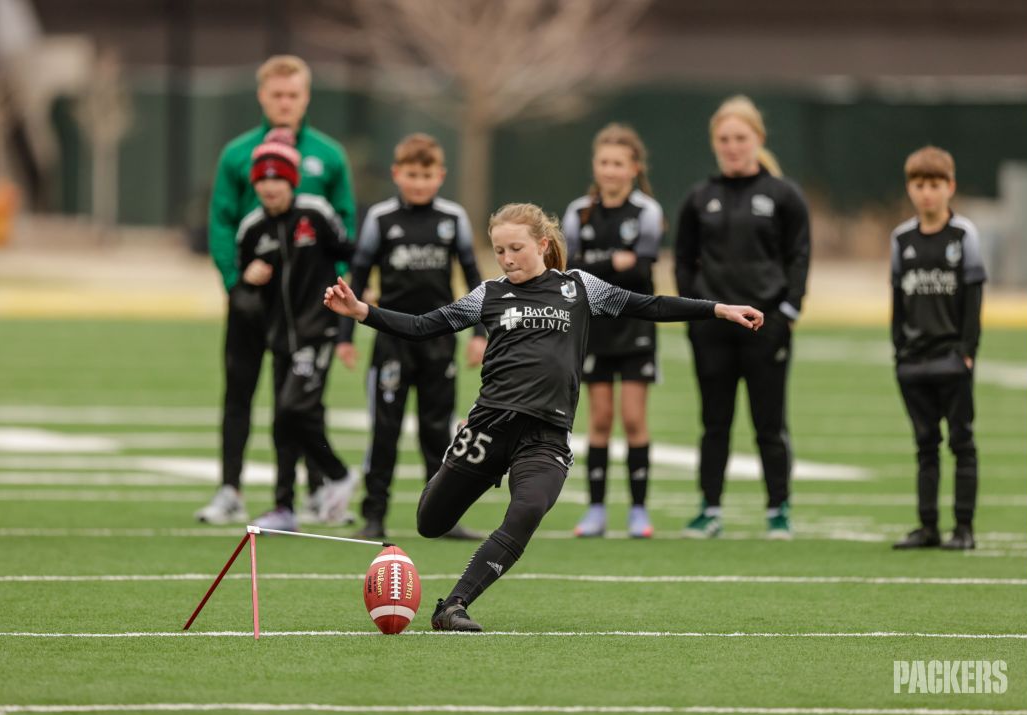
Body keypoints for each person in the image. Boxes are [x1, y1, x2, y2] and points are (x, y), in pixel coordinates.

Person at [323, 203, 763, 632]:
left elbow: (648, 305)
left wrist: (717, 309)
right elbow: (424, 326)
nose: (507, 258)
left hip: (546, 434)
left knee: (528, 508)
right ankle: (452, 472)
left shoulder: (579, 287)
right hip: (488, 425)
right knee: (430, 523)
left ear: (543, 244)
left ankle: (453, 605)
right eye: (498, 250)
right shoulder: (489, 294)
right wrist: (362, 312)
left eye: (515, 248)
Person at [197, 55, 356, 526]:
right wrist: (235, 282)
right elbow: (222, 222)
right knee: (239, 392)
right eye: (276, 94)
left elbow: (345, 222)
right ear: (262, 96)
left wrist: (341, 286)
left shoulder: (328, 156)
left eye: (293, 95)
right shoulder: (236, 154)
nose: (285, 102)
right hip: (254, 302)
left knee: (303, 398)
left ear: (305, 97)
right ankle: (230, 489)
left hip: (309, 302)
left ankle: (312, 492)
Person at [337, 133, 487, 541]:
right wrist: (345, 336)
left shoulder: (452, 218)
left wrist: (480, 332)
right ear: (396, 173)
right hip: (391, 339)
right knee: (384, 430)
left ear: (440, 175)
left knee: (437, 431)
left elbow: (474, 279)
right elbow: (360, 275)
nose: (418, 182)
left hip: (440, 339)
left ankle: (443, 517)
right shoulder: (381, 218)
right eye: (411, 174)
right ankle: (374, 516)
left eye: (426, 174)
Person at [675, 95, 810, 540]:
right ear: (715, 143)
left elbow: (799, 256)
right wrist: (695, 312)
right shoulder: (700, 198)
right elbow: (683, 260)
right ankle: (709, 509)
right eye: (724, 139)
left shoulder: (783, 195)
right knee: (715, 423)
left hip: (765, 327)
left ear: (758, 139)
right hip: (713, 328)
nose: (732, 146)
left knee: (770, 424)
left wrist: (787, 311)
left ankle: (779, 510)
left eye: (740, 138)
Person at [234, 139, 359, 532]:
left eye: (278, 179)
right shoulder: (252, 229)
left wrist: (350, 305)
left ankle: (337, 476)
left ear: (291, 181)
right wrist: (248, 280)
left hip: (316, 331)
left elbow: (350, 251)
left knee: (294, 408)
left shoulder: (315, 213)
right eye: (262, 180)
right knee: (283, 420)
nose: (270, 187)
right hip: (279, 339)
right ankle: (284, 506)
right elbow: (242, 287)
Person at [562, 123, 664, 539]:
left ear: (634, 167)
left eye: (619, 163)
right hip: (595, 327)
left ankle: (639, 510)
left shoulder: (647, 212)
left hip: (636, 325)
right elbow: (571, 270)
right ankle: (597, 509)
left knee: (633, 418)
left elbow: (641, 267)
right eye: (604, 162)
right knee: (600, 419)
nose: (610, 170)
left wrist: (601, 266)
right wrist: (613, 264)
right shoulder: (577, 212)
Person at [888, 146, 985, 551]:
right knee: (924, 444)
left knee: (961, 442)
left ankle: (963, 528)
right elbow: (897, 300)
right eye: (919, 185)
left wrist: (967, 350)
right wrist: (898, 351)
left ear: (950, 187)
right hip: (913, 361)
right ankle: (927, 526)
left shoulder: (964, 236)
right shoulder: (901, 239)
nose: (927, 193)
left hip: (952, 359)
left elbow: (974, 297)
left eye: (935, 185)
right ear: (910, 188)